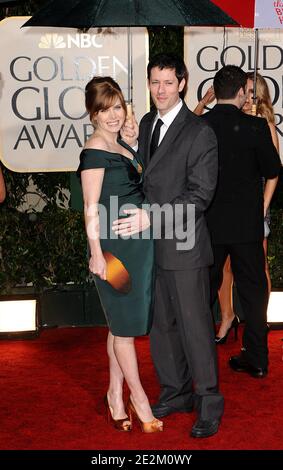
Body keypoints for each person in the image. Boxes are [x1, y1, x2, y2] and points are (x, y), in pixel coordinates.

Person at [114, 54, 224, 438]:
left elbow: (200, 196)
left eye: (167, 82)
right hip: (150, 247)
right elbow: (145, 177)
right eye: (153, 82)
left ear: (182, 83)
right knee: (161, 328)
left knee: (195, 328)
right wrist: (130, 148)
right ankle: (176, 392)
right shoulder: (145, 123)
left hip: (185, 244)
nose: (159, 90)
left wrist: (151, 217)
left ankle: (209, 402)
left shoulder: (199, 132)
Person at [77, 76, 163, 433]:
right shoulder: (94, 149)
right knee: (125, 328)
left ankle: (115, 393)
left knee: (120, 325)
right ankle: (139, 399)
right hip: (113, 249)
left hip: (137, 246)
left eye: (117, 107)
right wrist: (96, 253)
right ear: (91, 113)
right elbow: (89, 207)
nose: (112, 115)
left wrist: (131, 141)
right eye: (103, 109)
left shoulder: (121, 143)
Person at [203, 65, 281, 378]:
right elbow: (273, 169)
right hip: (247, 224)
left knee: (203, 290)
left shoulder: (199, 126)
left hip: (208, 224)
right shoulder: (255, 127)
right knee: (254, 290)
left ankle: (200, 360)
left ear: (215, 92)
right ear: (239, 93)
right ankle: (258, 359)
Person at [194, 88, 238, 344]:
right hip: (214, 208)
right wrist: (202, 103)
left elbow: (271, 169)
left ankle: (232, 317)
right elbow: (184, 129)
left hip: (246, 210)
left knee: (239, 269)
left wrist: (263, 205)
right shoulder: (210, 123)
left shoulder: (257, 125)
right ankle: (226, 316)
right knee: (215, 270)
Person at [243, 72, 280, 295]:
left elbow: (273, 173)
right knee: (226, 268)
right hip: (233, 203)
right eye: (244, 92)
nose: (247, 99)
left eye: (252, 93)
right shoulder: (233, 121)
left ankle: (261, 319)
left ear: (261, 97)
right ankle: (228, 316)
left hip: (257, 202)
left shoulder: (266, 125)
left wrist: (263, 207)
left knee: (259, 264)